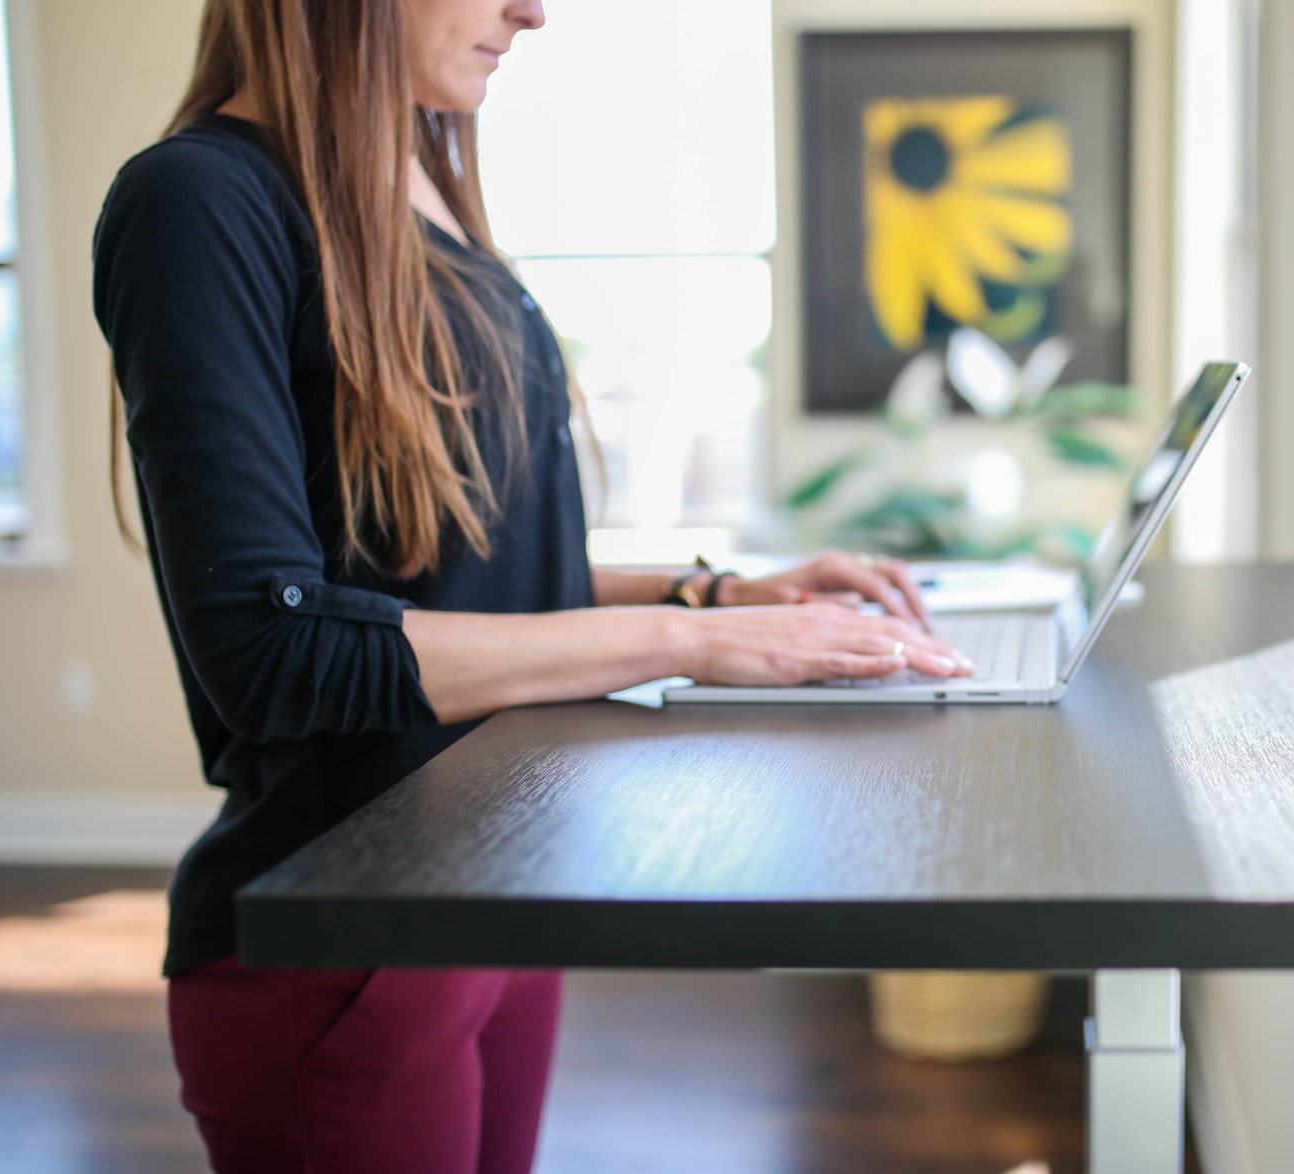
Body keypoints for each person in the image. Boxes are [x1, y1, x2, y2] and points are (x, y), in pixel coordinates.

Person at [92, 1, 972, 1169]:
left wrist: (712, 596)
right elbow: (277, 648)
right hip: (345, 936)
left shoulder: (418, 178)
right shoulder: (199, 203)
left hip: (495, 886)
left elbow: (458, 572)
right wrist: (684, 645)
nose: (534, 10)